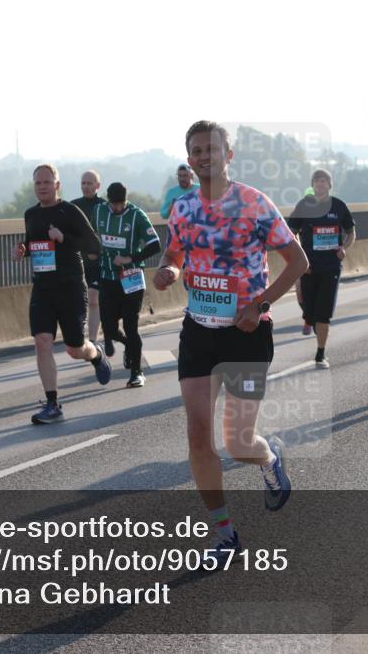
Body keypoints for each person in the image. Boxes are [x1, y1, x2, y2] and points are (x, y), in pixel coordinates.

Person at [153, 120, 307, 565]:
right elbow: (175, 252)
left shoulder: (255, 203)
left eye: (212, 149)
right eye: (196, 150)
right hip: (198, 330)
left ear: (228, 155)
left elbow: (298, 262)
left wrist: (258, 305)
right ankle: (224, 535)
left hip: (247, 333)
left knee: (239, 444)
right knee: (198, 436)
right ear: (189, 158)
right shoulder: (182, 208)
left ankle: (270, 458)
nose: (204, 156)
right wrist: (170, 271)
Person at [11, 164, 111, 424]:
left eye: (47, 182)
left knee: (75, 349)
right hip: (43, 288)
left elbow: (94, 246)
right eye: (38, 183)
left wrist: (64, 237)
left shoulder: (70, 211)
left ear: (57, 185)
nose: (42, 187)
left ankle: (96, 354)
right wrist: (24, 250)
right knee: (41, 341)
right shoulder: (31, 214)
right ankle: (53, 404)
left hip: (71, 288)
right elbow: (35, 243)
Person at [92, 182, 161, 387]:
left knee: (131, 326)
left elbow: (155, 245)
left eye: (120, 204)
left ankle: (136, 372)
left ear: (126, 200)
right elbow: (88, 234)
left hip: (131, 277)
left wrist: (130, 258)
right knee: (110, 329)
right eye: (113, 204)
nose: (116, 208)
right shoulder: (99, 212)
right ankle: (128, 347)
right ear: (108, 201)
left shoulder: (136, 215)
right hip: (107, 277)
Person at [287, 169, 355, 369]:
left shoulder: (339, 206)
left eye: (324, 181)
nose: (320, 184)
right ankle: (309, 319)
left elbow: (351, 232)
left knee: (323, 313)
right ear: (313, 184)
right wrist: (299, 257)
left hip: (331, 266)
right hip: (308, 267)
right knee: (309, 310)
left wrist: (344, 248)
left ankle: (320, 354)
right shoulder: (304, 205)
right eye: (317, 181)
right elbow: (291, 233)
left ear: (330, 184)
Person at [72, 170, 105, 350]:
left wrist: (97, 252)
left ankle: (92, 340)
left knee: (93, 299)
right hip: (77, 262)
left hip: (98, 263)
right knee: (78, 301)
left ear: (98, 186)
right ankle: (78, 335)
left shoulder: (104, 207)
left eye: (90, 183)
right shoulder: (73, 207)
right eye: (83, 183)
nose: (86, 186)